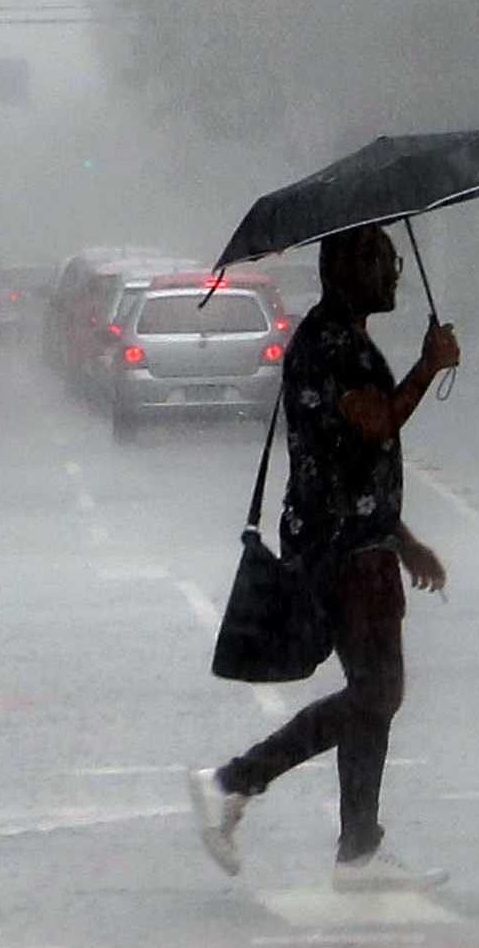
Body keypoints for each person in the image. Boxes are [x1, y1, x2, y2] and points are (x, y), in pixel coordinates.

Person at [187, 224, 460, 891]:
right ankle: (233, 782)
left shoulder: (341, 336)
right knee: (378, 692)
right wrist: (429, 365)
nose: (393, 273)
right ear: (343, 268)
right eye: (380, 261)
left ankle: (359, 850)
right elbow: (375, 424)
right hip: (341, 552)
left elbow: (352, 462)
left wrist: (403, 538)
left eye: (395, 261)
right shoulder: (330, 343)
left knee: (376, 694)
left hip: (357, 542)